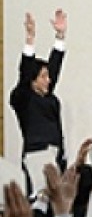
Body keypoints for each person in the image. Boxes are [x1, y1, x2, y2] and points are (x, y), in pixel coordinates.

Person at [9, 10, 67, 170]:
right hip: (36, 157)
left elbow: (54, 66)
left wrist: (60, 36)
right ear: (33, 81)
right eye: (43, 77)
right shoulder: (24, 98)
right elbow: (25, 72)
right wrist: (29, 40)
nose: (48, 80)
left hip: (56, 155)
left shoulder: (49, 97)